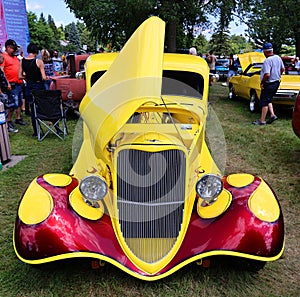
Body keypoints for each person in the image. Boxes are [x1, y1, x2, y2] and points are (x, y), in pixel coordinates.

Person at [252, 42, 285, 126]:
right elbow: (282, 69)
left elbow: (267, 74)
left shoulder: (267, 60)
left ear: (265, 51)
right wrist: (278, 75)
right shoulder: (278, 57)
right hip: (276, 82)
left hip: (269, 84)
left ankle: (262, 121)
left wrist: (262, 82)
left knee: (264, 102)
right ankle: (272, 115)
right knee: (268, 99)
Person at [19, 43, 46, 136]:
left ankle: (36, 131)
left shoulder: (22, 61)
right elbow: (44, 77)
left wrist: (26, 76)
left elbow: (20, 75)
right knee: (45, 106)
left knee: (33, 109)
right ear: (36, 51)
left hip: (29, 86)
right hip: (38, 86)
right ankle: (57, 128)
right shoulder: (39, 61)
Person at [0, 39, 27, 133]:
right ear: (7, 47)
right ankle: (8, 121)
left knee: (19, 102)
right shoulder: (4, 57)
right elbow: (2, 70)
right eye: (13, 48)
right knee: (11, 104)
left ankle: (18, 118)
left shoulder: (15, 57)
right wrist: (6, 83)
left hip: (19, 83)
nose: (14, 50)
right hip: (11, 84)